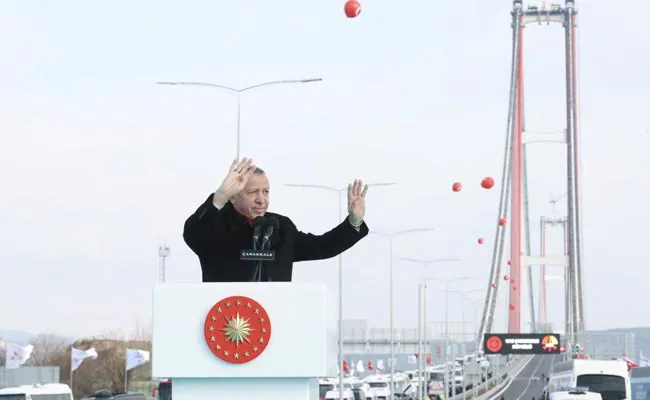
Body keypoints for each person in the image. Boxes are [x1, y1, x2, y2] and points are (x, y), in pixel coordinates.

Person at [183, 157, 370, 282]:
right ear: (233, 197)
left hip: (273, 327)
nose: (261, 199)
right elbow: (193, 234)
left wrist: (353, 222)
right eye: (252, 192)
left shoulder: (280, 228)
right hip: (226, 328)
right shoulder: (216, 226)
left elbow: (321, 246)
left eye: (265, 192)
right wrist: (220, 196)